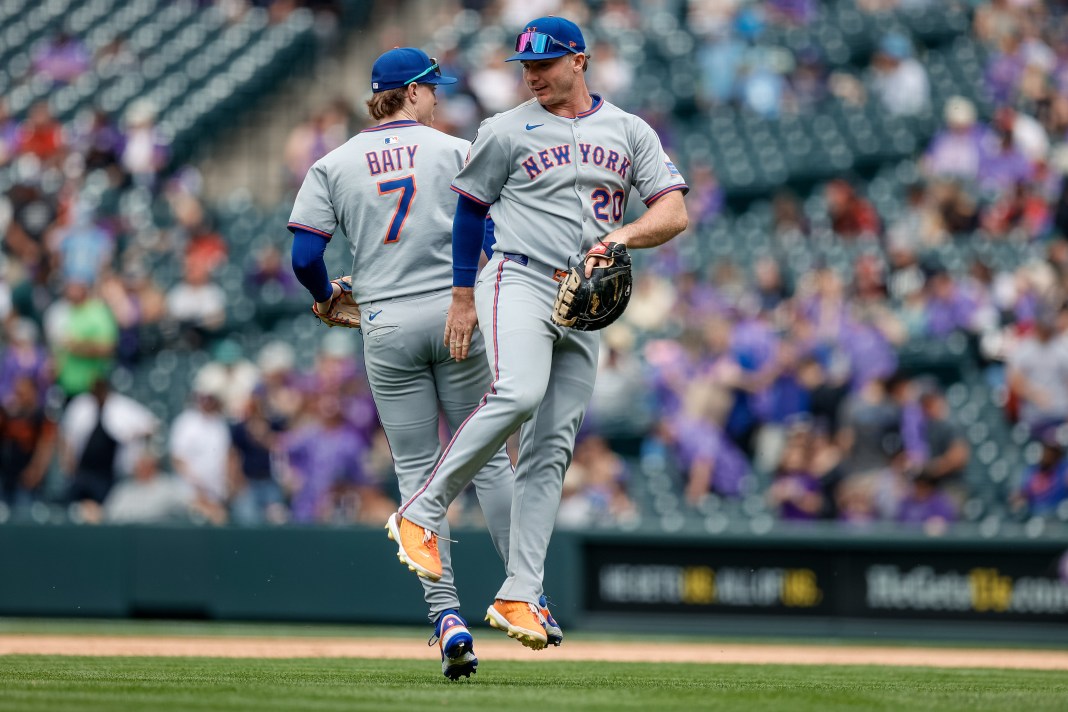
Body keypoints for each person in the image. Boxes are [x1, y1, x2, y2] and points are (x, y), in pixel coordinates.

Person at [387, 16, 688, 650]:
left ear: (579, 61)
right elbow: (470, 210)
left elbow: (673, 208)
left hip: (586, 297)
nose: (532, 74)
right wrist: (463, 297)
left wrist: (624, 236)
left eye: (544, 64)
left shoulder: (628, 129)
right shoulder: (505, 127)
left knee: (552, 448)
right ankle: (422, 510)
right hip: (518, 279)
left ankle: (521, 591)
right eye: (525, 64)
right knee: (520, 394)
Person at [287, 46, 519, 679]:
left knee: (418, 473)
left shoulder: (332, 163)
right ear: (412, 92)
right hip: (454, 313)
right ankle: (523, 590)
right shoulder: (453, 149)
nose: (438, 97)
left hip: (384, 320)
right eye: (432, 88)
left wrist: (325, 299)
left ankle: (446, 617)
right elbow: (491, 237)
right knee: (487, 457)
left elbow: (306, 257)